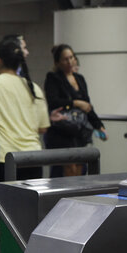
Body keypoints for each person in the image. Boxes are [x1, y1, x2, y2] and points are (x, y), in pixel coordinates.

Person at [0, 37, 53, 181]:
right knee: (30, 202)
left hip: (4, 157)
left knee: (5, 202)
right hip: (33, 158)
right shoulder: (33, 88)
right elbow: (43, 128)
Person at [43, 44, 106, 177]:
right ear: (58, 62)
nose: (70, 61)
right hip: (62, 131)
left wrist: (98, 125)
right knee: (65, 171)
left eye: (71, 57)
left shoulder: (80, 79)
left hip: (78, 132)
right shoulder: (53, 78)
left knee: (80, 168)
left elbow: (88, 105)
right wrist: (75, 103)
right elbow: (53, 101)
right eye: (65, 59)